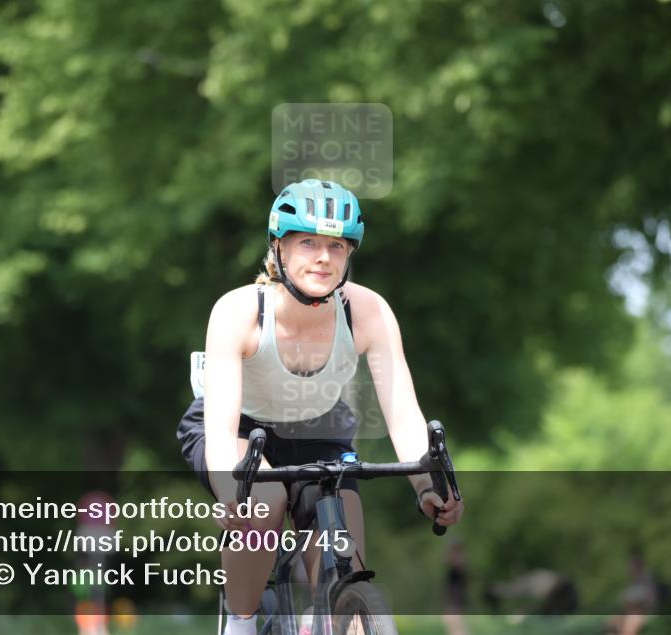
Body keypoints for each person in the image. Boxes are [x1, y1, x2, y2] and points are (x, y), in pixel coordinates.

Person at [177, 179, 464, 635]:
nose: (323, 256)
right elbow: (220, 427)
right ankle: (241, 622)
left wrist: (426, 486)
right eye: (307, 242)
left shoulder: (368, 311)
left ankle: (336, 614)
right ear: (279, 249)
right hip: (236, 431)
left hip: (319, 431)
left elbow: (403, 413)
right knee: (263, 500)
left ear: (350, 254)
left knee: (343, 553)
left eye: (336, 245)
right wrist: (233, 494)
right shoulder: (239, 312)